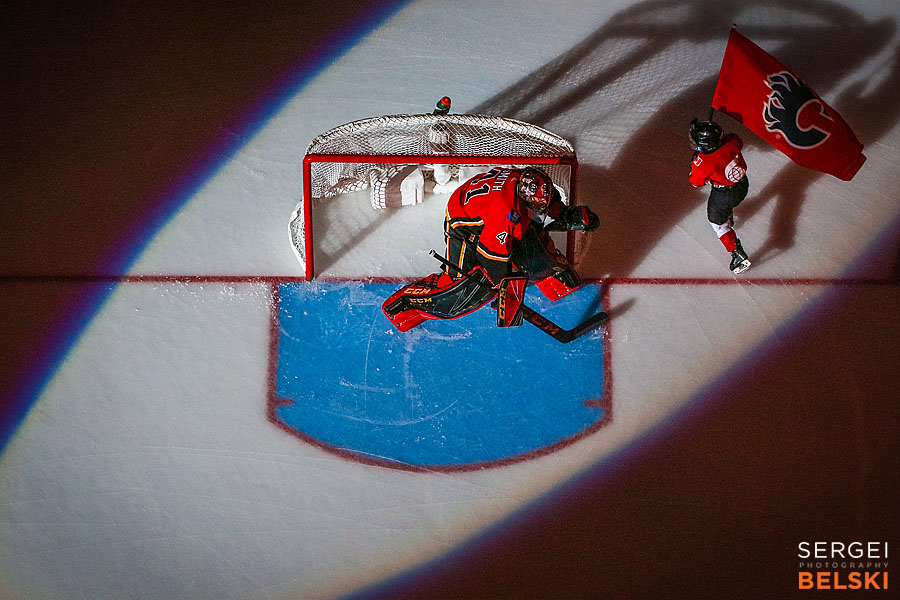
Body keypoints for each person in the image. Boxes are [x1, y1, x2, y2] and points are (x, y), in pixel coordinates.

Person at [382, 166, 599, 332]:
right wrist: (501, 284)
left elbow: (545, 201)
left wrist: (563, 213)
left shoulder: (523, 180)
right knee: (459, 284)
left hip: (487, 210)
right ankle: (407, 303)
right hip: (463, 225)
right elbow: (492, 256)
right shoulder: (504, 214)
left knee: (530, 242)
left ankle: (548, 277)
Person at [689, 119, 751, 274]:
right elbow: (736, 141)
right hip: (742, 185)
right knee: (725, 207)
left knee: (716, 220)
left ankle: (738, 255)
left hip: (724, 194)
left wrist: (697, 162)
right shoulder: (732, 141)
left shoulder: (703, 163)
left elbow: (695, 182)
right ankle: (728, 213)